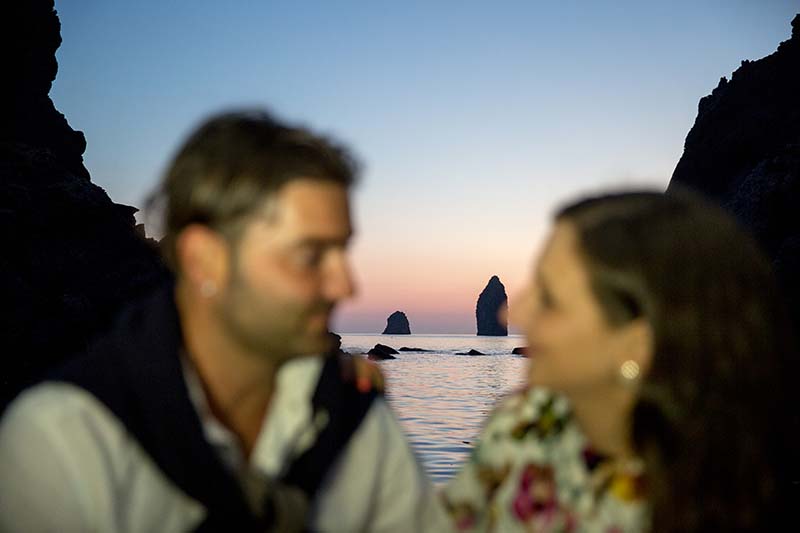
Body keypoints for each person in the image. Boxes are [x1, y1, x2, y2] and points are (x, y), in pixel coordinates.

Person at [0, 110, 444, 532]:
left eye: (342, 252)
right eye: (311, 255)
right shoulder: (63, 441)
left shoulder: (358, 425)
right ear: (205, 259)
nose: (346, 287)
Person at [441, 190, 796, 532]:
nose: (513, 311)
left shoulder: (727, 498)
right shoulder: (524, 425)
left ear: (634, 346)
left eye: (550, 297)